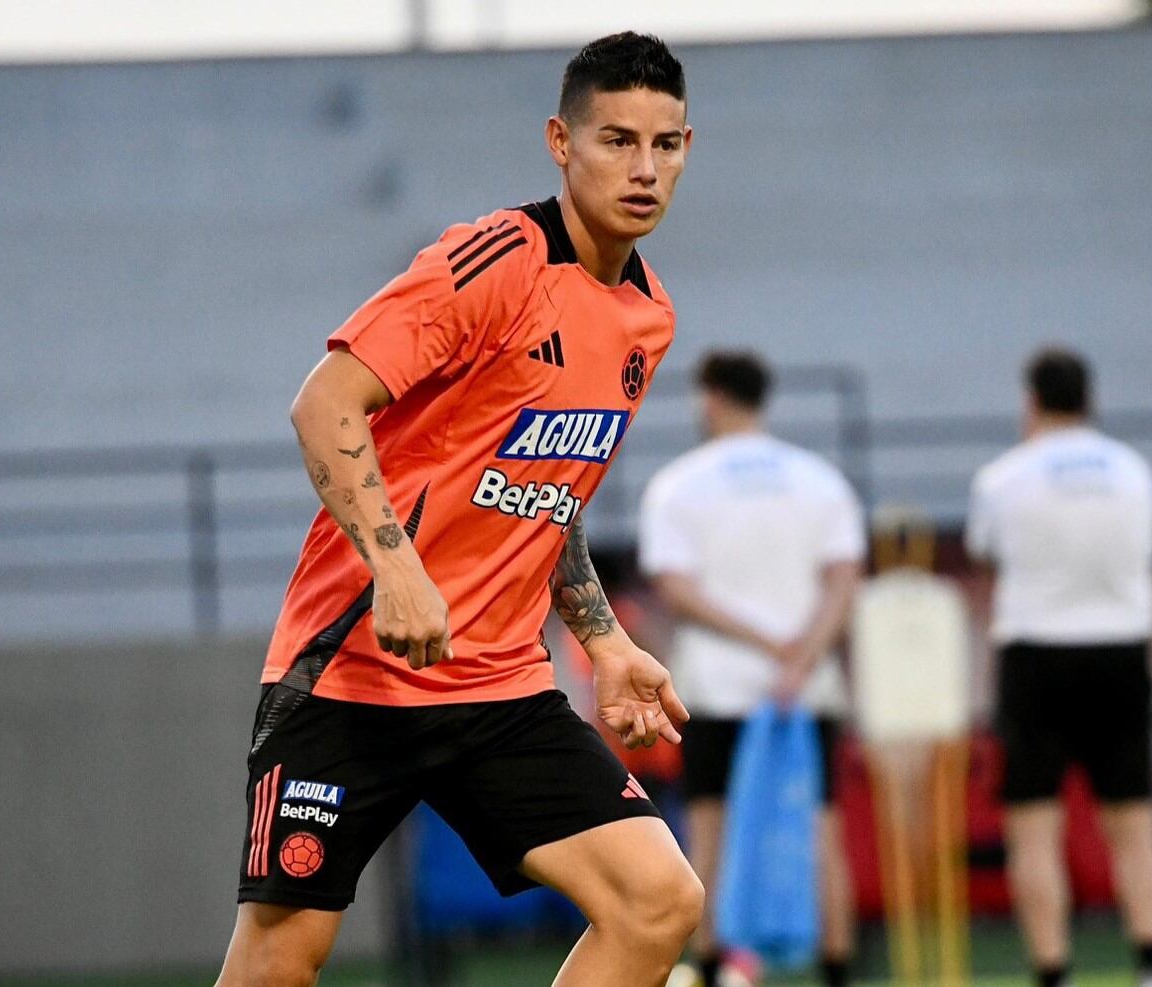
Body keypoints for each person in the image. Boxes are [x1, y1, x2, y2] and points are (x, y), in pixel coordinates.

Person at [216, 33, 701, 987]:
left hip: (499, 689)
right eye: (616, 140)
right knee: (282, 955)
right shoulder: (490, 263)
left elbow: (543, 493)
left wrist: (602, 642)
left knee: (658, 900)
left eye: (666, 144)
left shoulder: (649, 317)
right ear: (561, 142)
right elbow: (324, 403)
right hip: (354, 672)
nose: (643, 169)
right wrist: (396, 569)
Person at [639, 352, 865, 987]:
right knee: (819, 829)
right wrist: (800, 653)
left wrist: (762, 642)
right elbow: (845, 577)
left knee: (708, 832)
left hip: (717, 689)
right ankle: (838, 972)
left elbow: (676, 589)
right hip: (806, 690)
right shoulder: (818, 479)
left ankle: (711, 970)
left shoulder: (680, 483)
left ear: (709, 397)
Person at [965, 349, 1152, 987]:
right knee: (1134, 823)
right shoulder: (1134, 472)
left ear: (1032, 401)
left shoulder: (1005, 477)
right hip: (1121, 649)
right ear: (1091, 399)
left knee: (1034, 829)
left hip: (1037, 654)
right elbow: (1149, 551)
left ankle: (1053, 973)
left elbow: (984, 551)